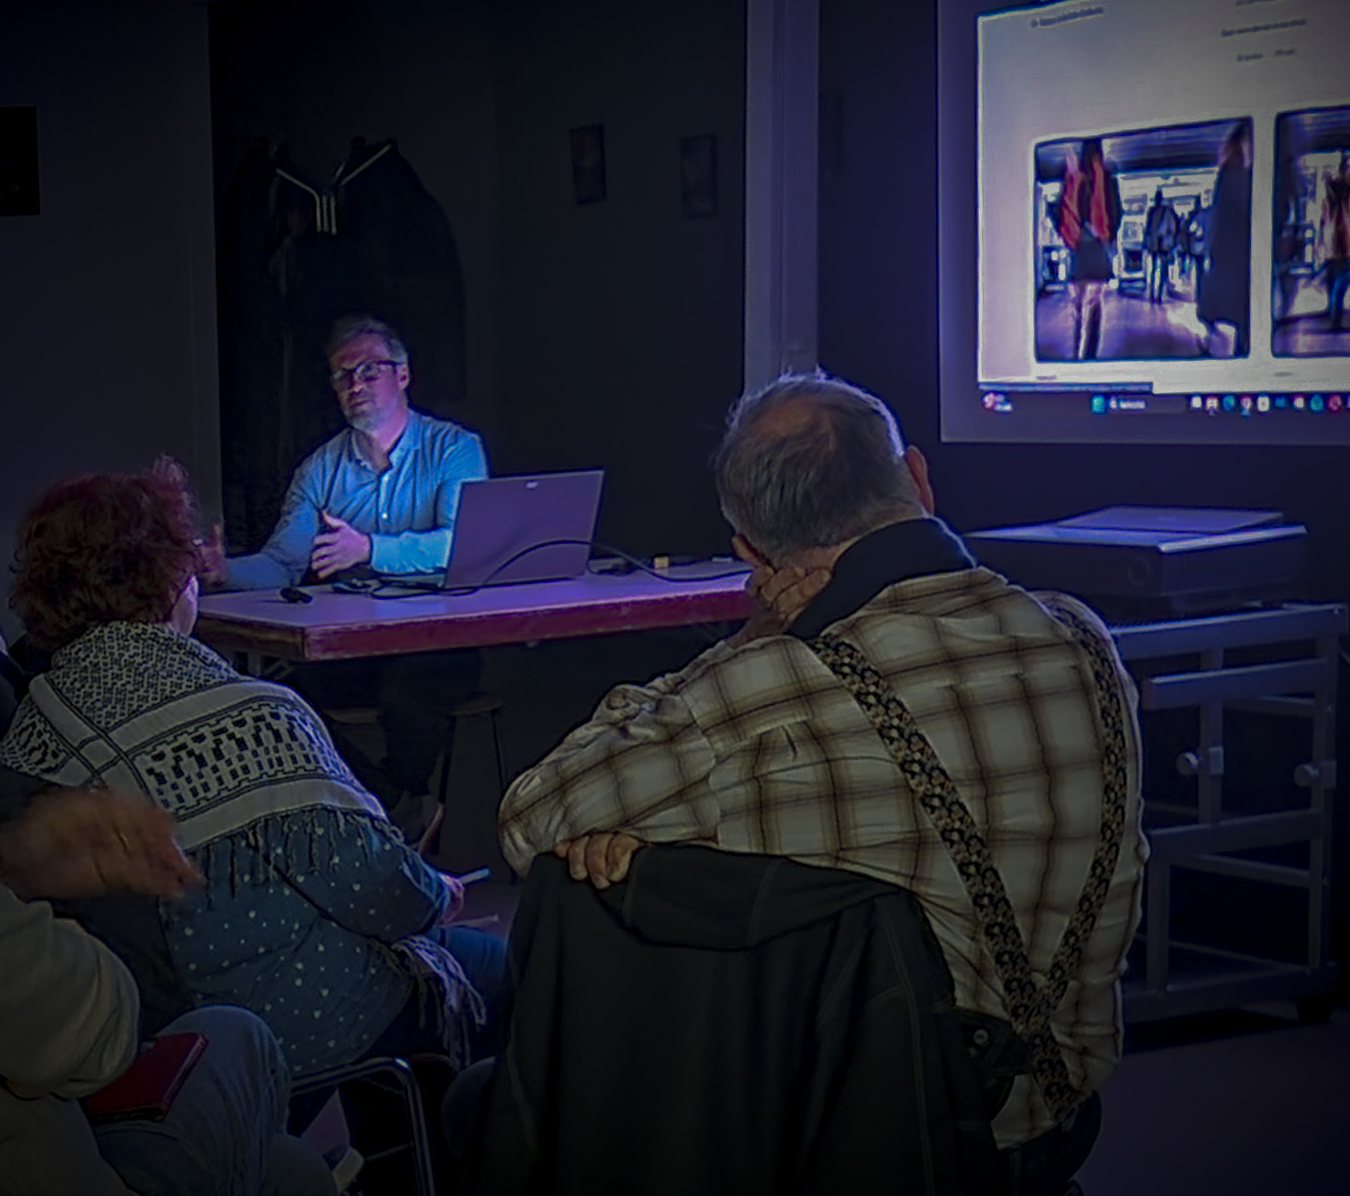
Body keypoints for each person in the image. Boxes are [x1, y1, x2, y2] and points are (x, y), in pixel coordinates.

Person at [498, 374, 1148, 1194]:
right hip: (1055, 1130)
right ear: (916, 476)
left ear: (750, 550)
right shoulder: (1082, 638)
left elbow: (530, 817)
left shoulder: (773, 689)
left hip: (883, 1139)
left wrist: (748, 642)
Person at [1, 461, 508, 1080]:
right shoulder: (256, 717)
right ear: (172, 584)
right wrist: (438, 895)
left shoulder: (30, 721)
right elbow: (382, 895)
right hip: (275, 1031)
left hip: (142, 1033)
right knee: (499, 969)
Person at [201, 315, 488, 838]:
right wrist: (223, 573)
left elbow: (462, 543)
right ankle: (395, 807)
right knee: (274, 699)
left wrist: (370, 548)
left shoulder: (453, 449)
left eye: (369, 370)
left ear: (403, 376)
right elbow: (283, 563)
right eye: (342, 375)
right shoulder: (320, 469)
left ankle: (391, 827)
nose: (355, 384)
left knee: (409, 695)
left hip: (439, 637)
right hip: (357, 644)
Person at [0, 778, 335, 1196]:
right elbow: (97, 1038)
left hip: (60, 1145)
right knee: (241, 1033)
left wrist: (17, 866)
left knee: (294, 1167)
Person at [1057, 138, 1121, 359]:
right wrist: (1106, 235)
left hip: (1079, 247)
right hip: (1094, 245)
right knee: (1092, 305)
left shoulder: (1073, 177)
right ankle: (1087, 355)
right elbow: (1116, 211)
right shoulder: (1106, 176)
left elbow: (1060, 211)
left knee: (1078, 306)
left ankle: (1079, 353)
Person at [1197, 121, 1253, 356]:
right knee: (1243, 309)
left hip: (1230, 252)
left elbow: (1218, 217)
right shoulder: (1238, 176)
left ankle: (1222, 347)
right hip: (1239, 251)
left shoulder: (1229, 175)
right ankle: (1242, 353)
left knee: (1228, 307)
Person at [1318, 151, 1350, 332]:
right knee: (1337, 283)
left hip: (1336, 246)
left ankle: (1334, 316)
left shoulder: (1332, 192)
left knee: (1335, 283)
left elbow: (1326, 219)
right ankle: (1334, 317)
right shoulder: (1339, 193)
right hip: (1342, 245)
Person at [1143, 187, 1177, 303]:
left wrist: (1146, 242)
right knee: (1162, 268)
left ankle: (1155, 292)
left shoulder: (1152, 211)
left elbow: (1147, 228)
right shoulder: (1165, 211)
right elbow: (1172, 228)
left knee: (1156, 268)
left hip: (1156, 243)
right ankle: (1158, 293)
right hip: (1162, 244)